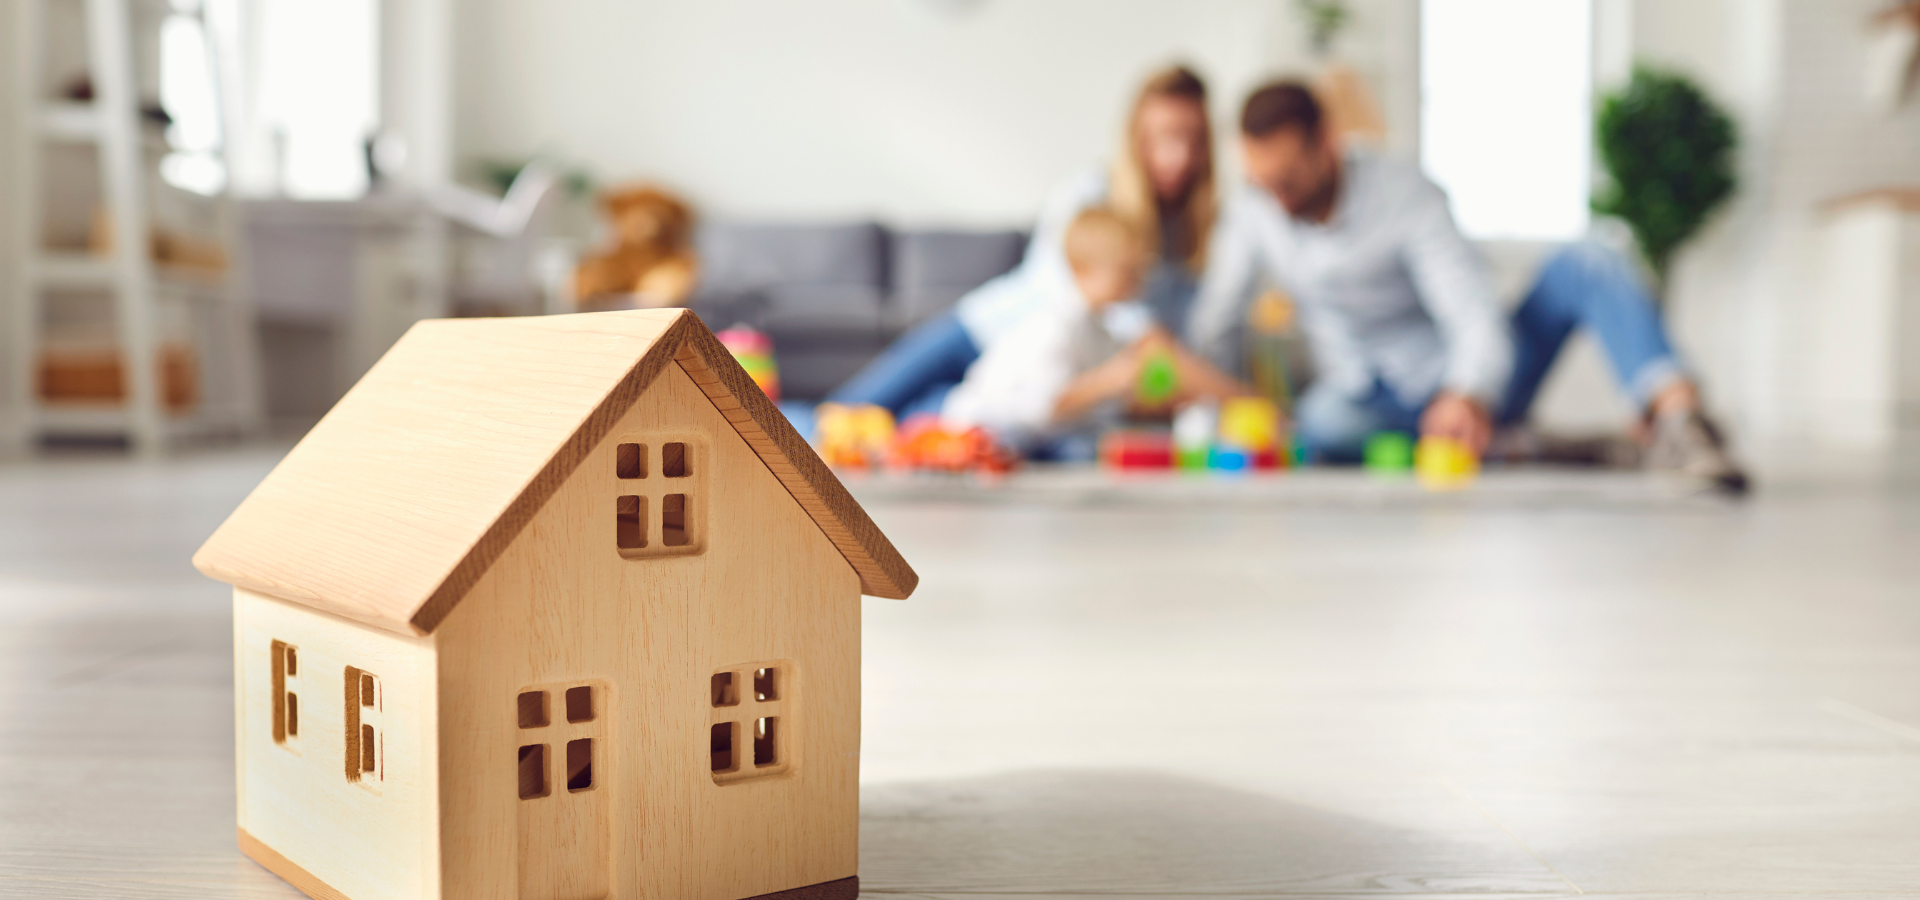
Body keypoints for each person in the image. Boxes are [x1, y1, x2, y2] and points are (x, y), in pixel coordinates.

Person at [1187, 82, 1748, 492]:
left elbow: (1470, 308)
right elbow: (1218, 319)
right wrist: (1209, 406)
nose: (1278, 201)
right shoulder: (1255, 209)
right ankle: (1518, 446)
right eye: (1264, 185)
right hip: (1366, 398)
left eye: (1288, 181)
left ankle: (1681, 422)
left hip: (1466, 381)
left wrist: (1467, 391)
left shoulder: (1406, 195)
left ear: (1327, 144)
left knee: (1592, 257)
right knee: (1325, 425)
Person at [827, 64, 1219, 419]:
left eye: (1193, 140)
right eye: (1165, 138)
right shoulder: (1088, 194)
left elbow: (1172, 340)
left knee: (905, 432)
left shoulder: (1192, 234)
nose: (1178, 156)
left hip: (1026, 385)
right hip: (981, 332)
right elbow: (1098, 304)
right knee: (844, 415)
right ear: (1136, 137)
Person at [943, 208, 1251, 458]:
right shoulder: (1055, 327)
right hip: (982, 428)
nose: (1138, 281)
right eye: (1126, 271)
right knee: (1082, 452)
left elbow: (1104, 403)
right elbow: (1047, 406)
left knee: (1104, 442)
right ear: (1083, 269)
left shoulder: (1102, 328)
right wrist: (1110, 380)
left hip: (1038, 436)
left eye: (1139, 270)